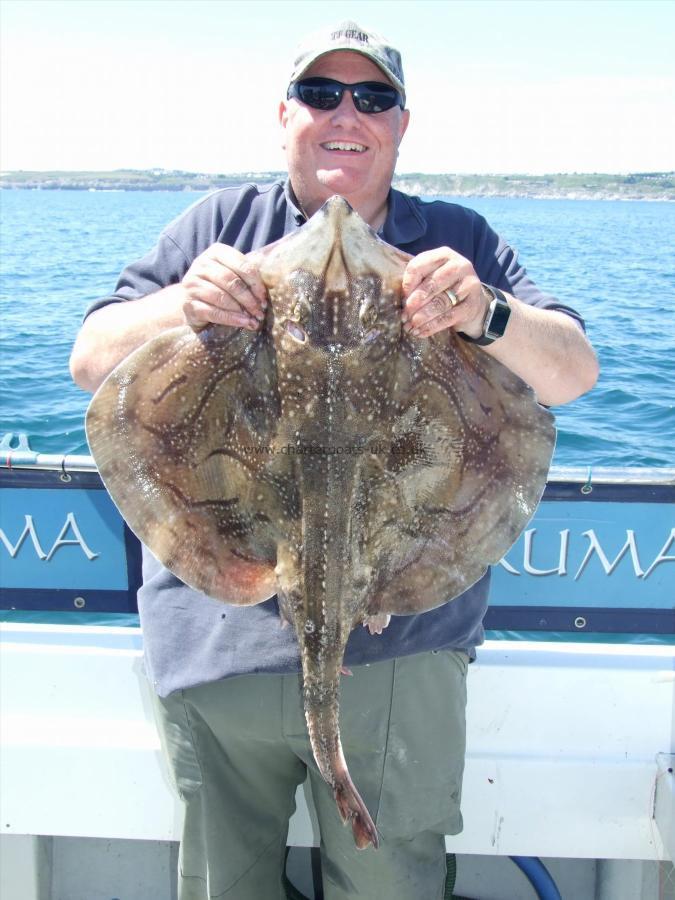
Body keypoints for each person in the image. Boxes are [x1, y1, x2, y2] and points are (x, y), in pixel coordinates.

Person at [70, 20, 599, 900]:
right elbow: (93, 359)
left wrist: (483, 313)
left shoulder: (456, 238)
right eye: (321, 95)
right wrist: (183, 303)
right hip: (218, 649)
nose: (344, 113)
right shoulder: (218, 225)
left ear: (400, 122)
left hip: (400, 658)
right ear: (284, 115)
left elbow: (572, 371)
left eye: (372, 97)